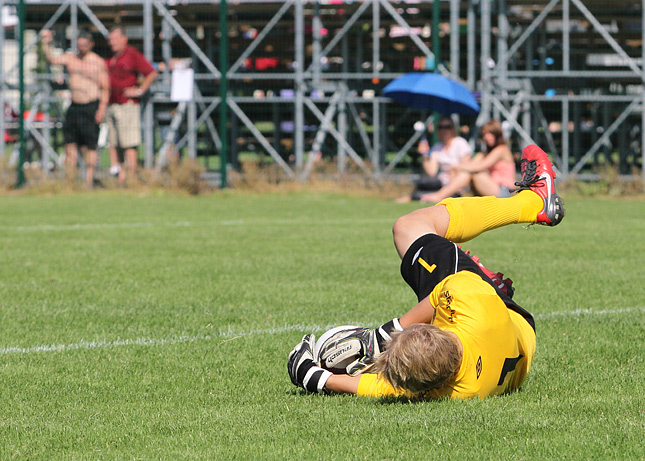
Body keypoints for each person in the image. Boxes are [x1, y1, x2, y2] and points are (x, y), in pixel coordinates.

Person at [288, 144, 565, 399]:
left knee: (416, 237)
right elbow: (436, 299)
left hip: (522, 337)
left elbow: (361, 385)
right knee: (409, 227)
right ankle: (534, 203)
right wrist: (380, 337)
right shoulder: (463, 303)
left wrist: (315, 377)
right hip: (485, 306)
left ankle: (493, 282)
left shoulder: (436, 388)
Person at [40, 29, 109, 187]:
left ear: (90, 44)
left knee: (91, 145)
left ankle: (88, 181)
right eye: (79, 44)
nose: (81, 47)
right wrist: (46, 43)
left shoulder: (97, 62)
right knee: (70, 144)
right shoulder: (71, 58)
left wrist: (101, 110)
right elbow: (52, 59)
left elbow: (105, 88)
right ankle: (69, 181)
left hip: (91, 106)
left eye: (84, 44)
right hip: (74, 107)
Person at [105, 26, 157, 183]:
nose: (112, 43)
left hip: (127, 105)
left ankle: (132, 177)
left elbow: (151, 72)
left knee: (129, 143)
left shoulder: (131, 54)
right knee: (115, 143)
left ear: (124, 39)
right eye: (110, 39)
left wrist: (140, 90)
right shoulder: (110, 57)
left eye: (115, 39)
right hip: (111, 104)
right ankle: (121, 177)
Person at [420, 120, 516, 203]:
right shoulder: (484, 153)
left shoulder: (502, 149)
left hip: (504, 191)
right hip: (491, 189)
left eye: (490, 134)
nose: (487, 137)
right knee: (467, 171)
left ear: (497, 135)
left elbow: (479, 166)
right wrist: (456, 169)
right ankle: (445, 194)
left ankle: (440, 195)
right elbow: (470, 164)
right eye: (485, 134)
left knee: (475, 173)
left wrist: (456, 167)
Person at [398, 116, 472, 203]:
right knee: (423, 181)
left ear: (453, 129)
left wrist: (453, 169)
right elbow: (432, 172)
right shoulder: (437, 147)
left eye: (447, 127)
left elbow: (467, 165)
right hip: (441, 182)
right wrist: (425, 155)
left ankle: (434, 196)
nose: (444, 130)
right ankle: (418, 196)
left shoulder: (460, 143)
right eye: (441, 127)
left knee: (462, 176)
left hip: (456, 181)